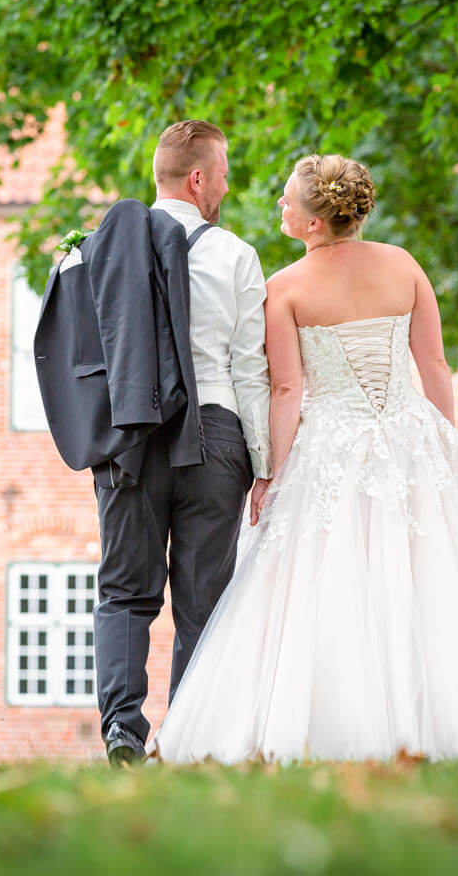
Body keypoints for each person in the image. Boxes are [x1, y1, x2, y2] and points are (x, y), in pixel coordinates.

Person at [150, 154, 458, 762]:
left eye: (288, 199)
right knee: (432, 580)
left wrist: (270, 473)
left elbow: (286, 390)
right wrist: (444, 444)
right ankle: (445, 732)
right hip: (410, 443)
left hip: (328, 449)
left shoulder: (284, 288)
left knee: (324, 586)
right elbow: (433, 365)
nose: (280, 204)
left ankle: (329, 733)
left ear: (314, 222)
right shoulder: (404, 266)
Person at [54, 120, 272, 767]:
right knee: (203, 602)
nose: (226, 187)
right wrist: (264, 464)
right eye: (223, 175)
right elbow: (249, 370)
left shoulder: (95, 251)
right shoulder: (235, 255)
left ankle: (123, 728)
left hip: (130, 437)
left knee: (125, 591)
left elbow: (78, 358)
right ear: (198, 179)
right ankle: (188, 741)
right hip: (215, 437)